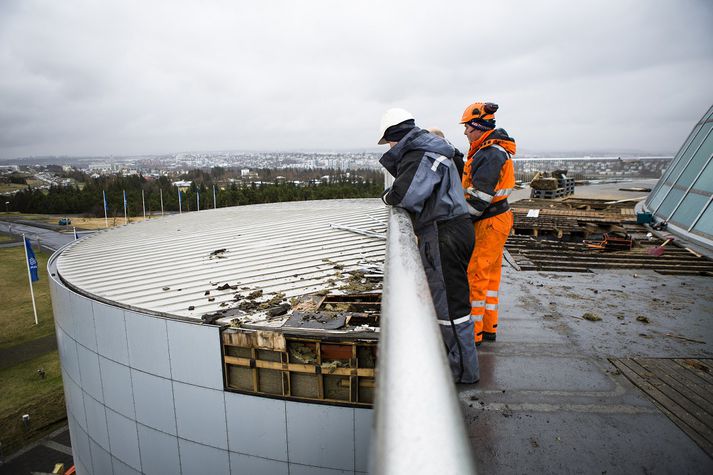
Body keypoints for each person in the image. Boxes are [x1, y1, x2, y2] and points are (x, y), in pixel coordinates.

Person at [378, 108, 479, 384]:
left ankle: (461, 372)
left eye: (388, 142)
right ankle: (460, 364)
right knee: (452, 300)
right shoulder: (434, 148)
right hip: (452, 228)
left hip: (443, 232)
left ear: (394, 136)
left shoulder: (421, 153)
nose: (389, 147)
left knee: (450, 306)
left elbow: (406, 195)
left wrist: (388, 196)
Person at [459, 102, 516, 345]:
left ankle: (473, 334)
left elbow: (480, 199)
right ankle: (488, 327)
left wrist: (460, 220)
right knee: (491, 277)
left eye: (467, 128)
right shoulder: (490, 150)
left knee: (476, 275)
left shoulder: (489, 153)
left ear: (478, 127)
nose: (464, 133)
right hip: (496, 219)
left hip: (488, 221)